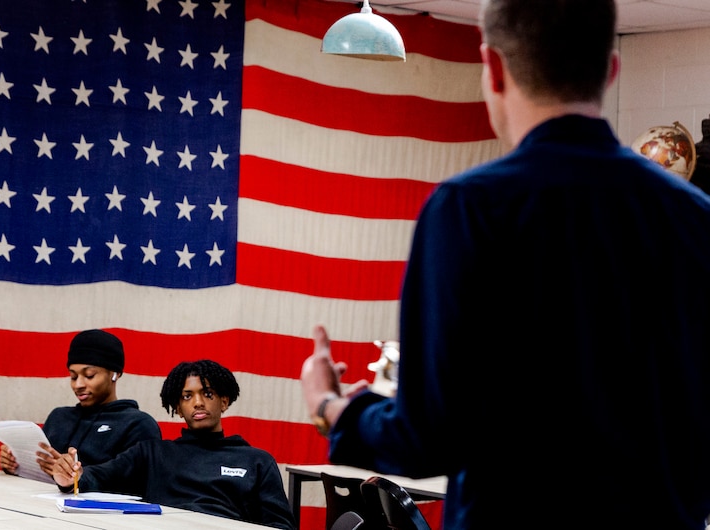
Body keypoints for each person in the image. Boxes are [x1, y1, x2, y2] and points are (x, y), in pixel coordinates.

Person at [300, 0, 710, 529]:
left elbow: (427, 439)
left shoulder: (469, 208)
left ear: (492, 68)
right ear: (611, 71)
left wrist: (330, 406)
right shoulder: (695, 218)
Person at [49, 359, 296, 530]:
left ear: (224, 401)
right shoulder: (152, 453)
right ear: (177, 408)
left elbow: (281, 525)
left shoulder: (256, 461)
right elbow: (97, 477)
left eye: (207, 393)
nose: (198, 402)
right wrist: (72, 476)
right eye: (187, 396)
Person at [0, 329, 162, 477]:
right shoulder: (59, 417)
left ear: (115, 374)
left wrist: (77, 476)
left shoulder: (138, 424)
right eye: (73, 376)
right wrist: (15, 464)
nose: (78, 385)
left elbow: (138, 481)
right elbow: (40, 471)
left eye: (89, 375)